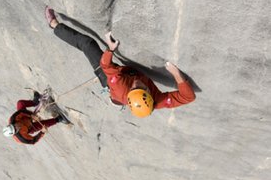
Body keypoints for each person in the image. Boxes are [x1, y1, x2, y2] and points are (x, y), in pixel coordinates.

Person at [45, 6, 196, 118]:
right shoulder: (156, 101)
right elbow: (188, 97)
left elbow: (106, 66)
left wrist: (110, 50)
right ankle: (117, 101)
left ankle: (54, 25)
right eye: (140, 87)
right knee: (91, 48)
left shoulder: (120, 85)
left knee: (88, 44)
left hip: (110, 79)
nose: (136, 84)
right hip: (122, 78)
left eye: (134, 88)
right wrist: (176, 74)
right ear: (149, 94)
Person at [3, 92, 68, 144]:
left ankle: (35, 102)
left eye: (14, 125)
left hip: (25, 116)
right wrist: (42, 132)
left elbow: (21, 112)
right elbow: (33, 140)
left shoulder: (12, 119)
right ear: (15, 132)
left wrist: (31, 115)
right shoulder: (21, 138)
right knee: (43, 125)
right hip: (30, 128)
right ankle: (58, 119)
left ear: (11, 124)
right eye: (16, 129)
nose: (17, 126)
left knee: (20, 103)